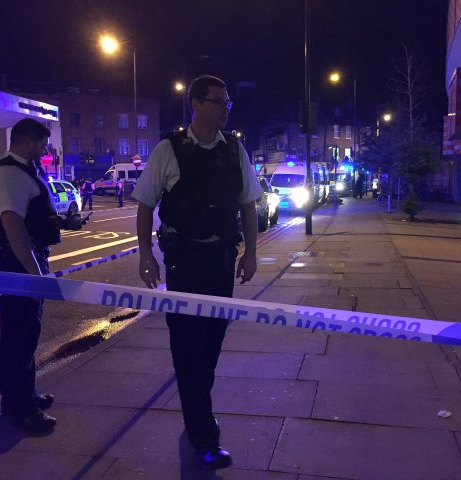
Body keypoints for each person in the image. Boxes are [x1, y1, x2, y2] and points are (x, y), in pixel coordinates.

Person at [132, 75, 263, 469]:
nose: (226, 108)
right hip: (184, 262)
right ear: (197, 105)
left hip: (221, 262)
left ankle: (197, 411)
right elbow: (143, 204)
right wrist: (145, 256)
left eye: (228, 102)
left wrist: (251, 254)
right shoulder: (169, 150)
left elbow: (249, 206)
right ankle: (204, 434)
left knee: (210, 346)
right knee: (188, 347)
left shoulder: (234, 150)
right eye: (219, 101)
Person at [0, 118, 87, 435]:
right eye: (42, 144)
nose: (45, 150)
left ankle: (25, 396)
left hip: (20, 265)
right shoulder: (10, 174)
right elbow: (13, 227)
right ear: (27, 142)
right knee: (18, 336)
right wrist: (35, 275)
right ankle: (20, 409)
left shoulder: (25, 171)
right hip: (13, 267)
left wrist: (65, 223)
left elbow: (33, 219)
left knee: (25, 335)